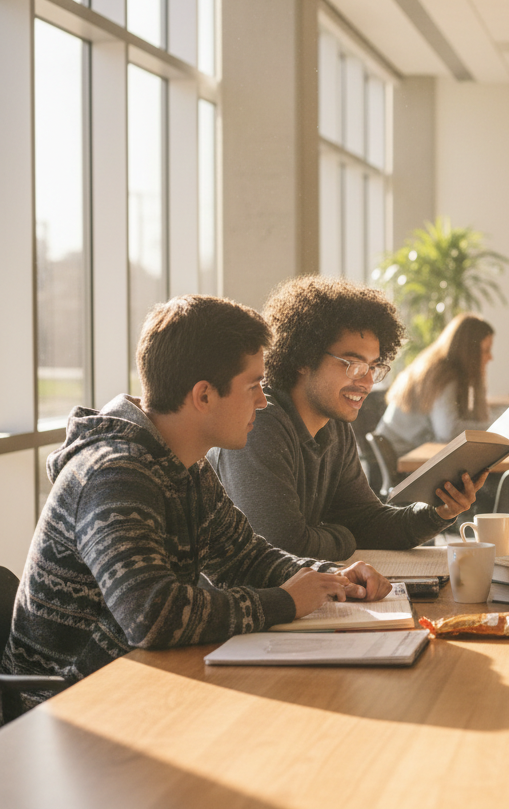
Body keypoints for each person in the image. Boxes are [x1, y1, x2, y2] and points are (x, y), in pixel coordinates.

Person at [0, 296, 391, 720]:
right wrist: (283, 601)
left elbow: (244, 556)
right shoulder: (113, 474)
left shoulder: (186, 467)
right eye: (253, 386)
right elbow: (153, 616)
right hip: (65, 715)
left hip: (140, 691)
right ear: (204, 395)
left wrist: (327, 579)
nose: (263, 401)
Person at [210, 277, 484, 561]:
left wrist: (437, 512)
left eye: (374, 367)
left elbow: (367, 520)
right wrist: (345, 536)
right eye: (353, 365)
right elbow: (283, 545)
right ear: (304, 357)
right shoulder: (259, 423)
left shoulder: (335, 426)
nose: (367, 381)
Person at [376, 313, 495, 457]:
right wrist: (498, 428)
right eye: (486, 350)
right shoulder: (445, 376)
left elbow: (473, 419)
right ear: (470, 351)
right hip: (401, 457)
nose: (490, 357)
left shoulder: (439, 366)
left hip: (404, 451)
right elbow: (448, 432)